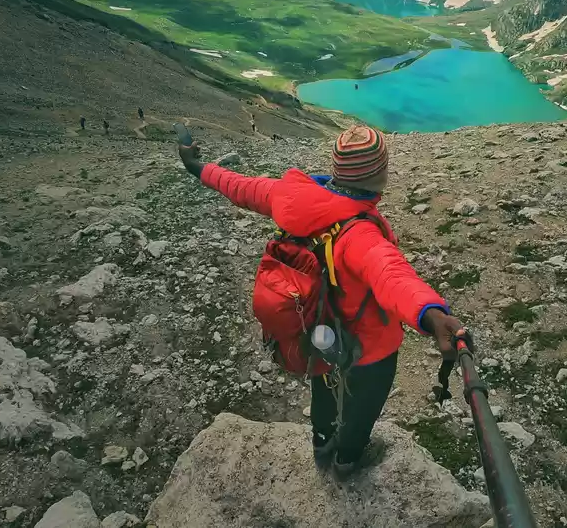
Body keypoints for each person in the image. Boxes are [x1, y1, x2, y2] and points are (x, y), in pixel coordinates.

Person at [178, 125, 465, 479]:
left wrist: (198, 168)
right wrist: (432, 316)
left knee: (324, 396)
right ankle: (346, 463)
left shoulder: (291, 196)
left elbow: (240, 186)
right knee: (361, 411)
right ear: (380, 173)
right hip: (369, 349)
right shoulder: (359, 232)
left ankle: (321, 448)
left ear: (336, 168)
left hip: (321, 332)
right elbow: (392, 275)